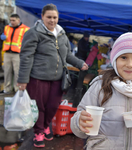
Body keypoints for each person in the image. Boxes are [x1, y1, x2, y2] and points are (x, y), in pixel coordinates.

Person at [17, 3, 88, 148]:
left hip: (57, 79)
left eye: (55, 17)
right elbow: (26, 57)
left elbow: (67, 55)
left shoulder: (61, 34)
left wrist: (80, 63)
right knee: (39, 107)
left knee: (53, 106)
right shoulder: (34, 33)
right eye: (49, 17)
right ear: (42, 16)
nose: (52, 20)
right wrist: (23, 79)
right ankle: (39, 132)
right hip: (37, 78)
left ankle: (44, 125)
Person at [71, 32, 132, 150]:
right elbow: (78, 120)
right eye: (123, 57)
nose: (130, 64)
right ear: (114, 59)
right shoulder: (101, 85)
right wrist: (79, 122)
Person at [0, 14, 29, 95]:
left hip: (18, 54)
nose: (11, 22)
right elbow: (4, 37)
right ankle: (7, 89)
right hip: (7, 52)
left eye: (13, 20)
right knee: (7, 71)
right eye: (10, 20)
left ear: (18, 20)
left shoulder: (25, 29)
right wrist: (1, 37)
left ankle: (17, 89)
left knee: (17, 72)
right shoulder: (6, 27)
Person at [73, 32, 91, 107]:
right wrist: (89, 50)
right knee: (79, 74)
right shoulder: (81, 42)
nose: (87, 38)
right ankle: (76, 87)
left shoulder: (86, 42)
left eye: (88, 37)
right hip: (80, 58)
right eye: (86, 37)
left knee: (82, 73)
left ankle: (80, 86)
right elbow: (83, 50)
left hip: (84, 59)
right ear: (84, 36)